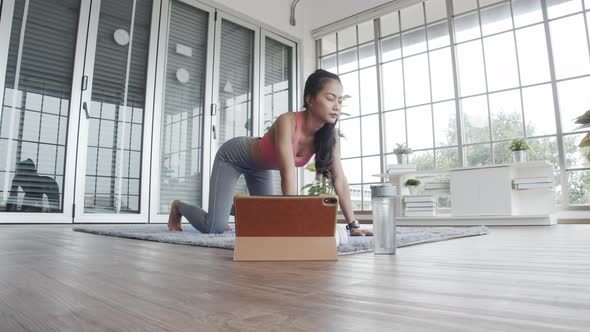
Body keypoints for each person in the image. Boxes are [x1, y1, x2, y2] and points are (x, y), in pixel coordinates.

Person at [168, 69, 373, 236]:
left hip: (261, 168)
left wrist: (353, 225)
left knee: (268, 221)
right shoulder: (288, 122)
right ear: (310, 99)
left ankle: (223, 209)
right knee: (215, 227)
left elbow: (340, 181)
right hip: (234, 156)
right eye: (330, 98)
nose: (336, 106)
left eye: (340, 100)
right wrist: (293, 223)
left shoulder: (330, 136)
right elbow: (287, 173)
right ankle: (179, 207)